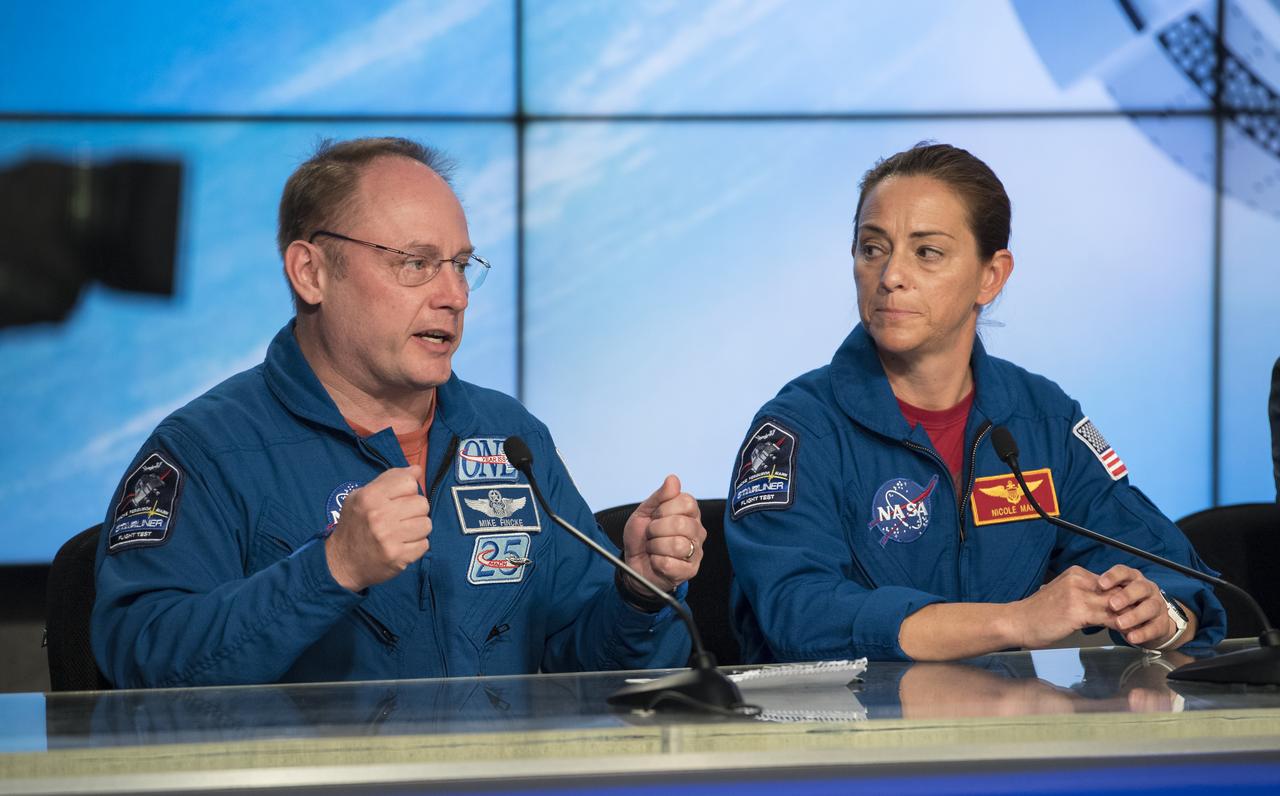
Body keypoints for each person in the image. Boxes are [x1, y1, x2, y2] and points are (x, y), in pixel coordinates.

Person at [92, 137, 706, 688]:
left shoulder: (510, 436)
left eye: (462, 265)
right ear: (312, 272)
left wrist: (639, 591)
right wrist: (331, 569)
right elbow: (141, 662)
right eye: (415, 263)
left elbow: (593, 672)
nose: (454, 296)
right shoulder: (205, 450)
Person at [724, 143, 1225, 663]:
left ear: (992, 276)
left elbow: (1170, 571)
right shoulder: (796, 430)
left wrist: (1160, 616)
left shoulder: (1044, 419)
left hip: (1006, 738)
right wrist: (1015, 621)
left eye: (927, 253)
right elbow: (800, 616)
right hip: (846, 738)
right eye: (873, 248)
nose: (891, 275)